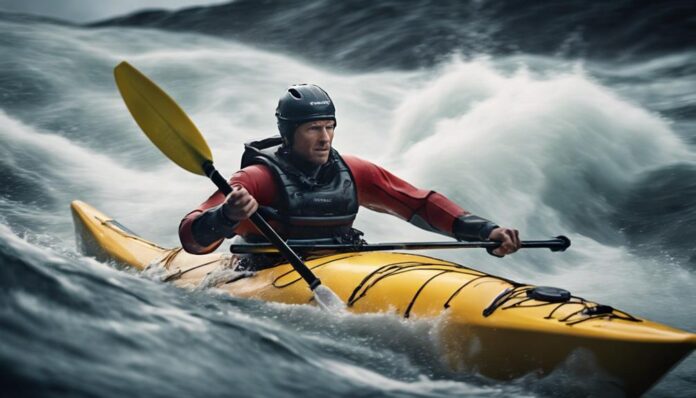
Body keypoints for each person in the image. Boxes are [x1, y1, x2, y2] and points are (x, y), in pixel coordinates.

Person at [179, 84, 520, 265]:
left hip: (344, 264)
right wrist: (227, 215)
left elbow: (419, 204)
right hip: (266, 272)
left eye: (329, 127)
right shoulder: (256, 179)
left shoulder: (352, 171)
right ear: (288, 134)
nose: (325, 138)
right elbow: (191, 237)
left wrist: (485, 230)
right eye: (313, 128)